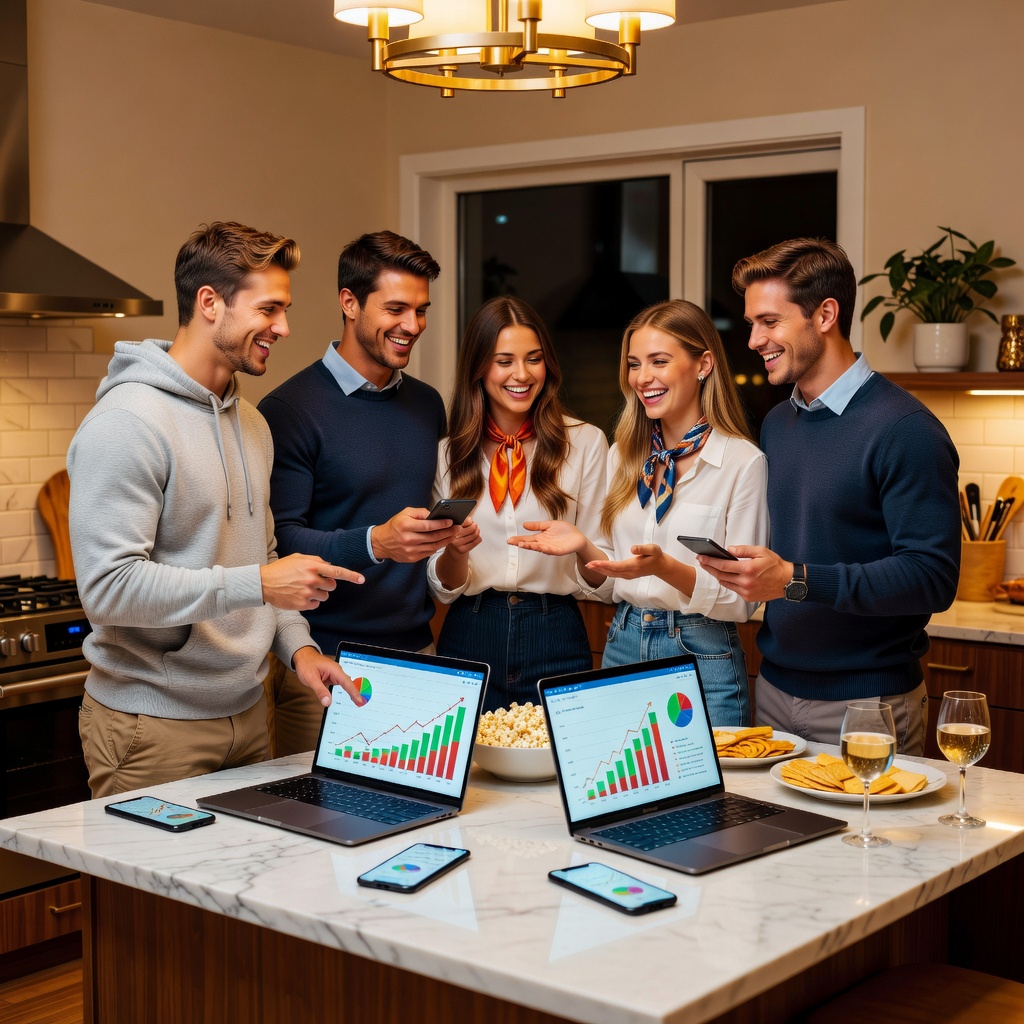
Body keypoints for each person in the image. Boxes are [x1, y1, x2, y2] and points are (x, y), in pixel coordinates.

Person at [67, 221, 366, 798]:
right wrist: (257, 582)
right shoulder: (128, 423)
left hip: (251, 719)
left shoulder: (250, 423)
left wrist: (299, 648)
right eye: (269, 309)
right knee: (151, 894)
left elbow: (264, 560)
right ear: (210, 302)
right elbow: (107, 589)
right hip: (152, 729)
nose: (284, 327)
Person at [699, 237, 961, 755]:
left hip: (868, 704)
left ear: (825, 314)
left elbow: (932, 578)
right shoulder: (778, 423)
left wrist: (796, 580)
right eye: (752, 323)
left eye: (769, 322)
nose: (753, 340)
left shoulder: (905, 429)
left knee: (874, 839)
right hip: (772, 691)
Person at [509, 299, 768, 726]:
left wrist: (666, 568)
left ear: (703, 364)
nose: (642, 378)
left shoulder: (743, 463)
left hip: (701, 651)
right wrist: (583, 547)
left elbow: (741, 600)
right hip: (623, 640)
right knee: (619, 782)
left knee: (714, 793)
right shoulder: (623, 456)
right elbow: (610, 584)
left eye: (659, 362)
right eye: (634, 364)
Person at [259, 231, 458, 755]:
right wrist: (375, 542)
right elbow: (278, 541)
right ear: (349, 302)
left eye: (421, 311)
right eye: (395, 308)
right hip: (325, 663)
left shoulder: (427, 405)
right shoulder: (289, 410)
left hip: (419, 654)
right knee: (322, 823)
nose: (412, 327)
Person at [427, 296, 609, 713]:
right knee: (466, 768)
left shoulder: (585, 443)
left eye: (534, 359)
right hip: (470, 632)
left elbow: (605, 578)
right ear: (478, 368)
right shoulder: (447, 453)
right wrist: (455, 551)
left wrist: (581, 545)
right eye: (504, 361)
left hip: (556, 632)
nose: (522, 374)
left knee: (559, 770)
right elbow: (443, 587)